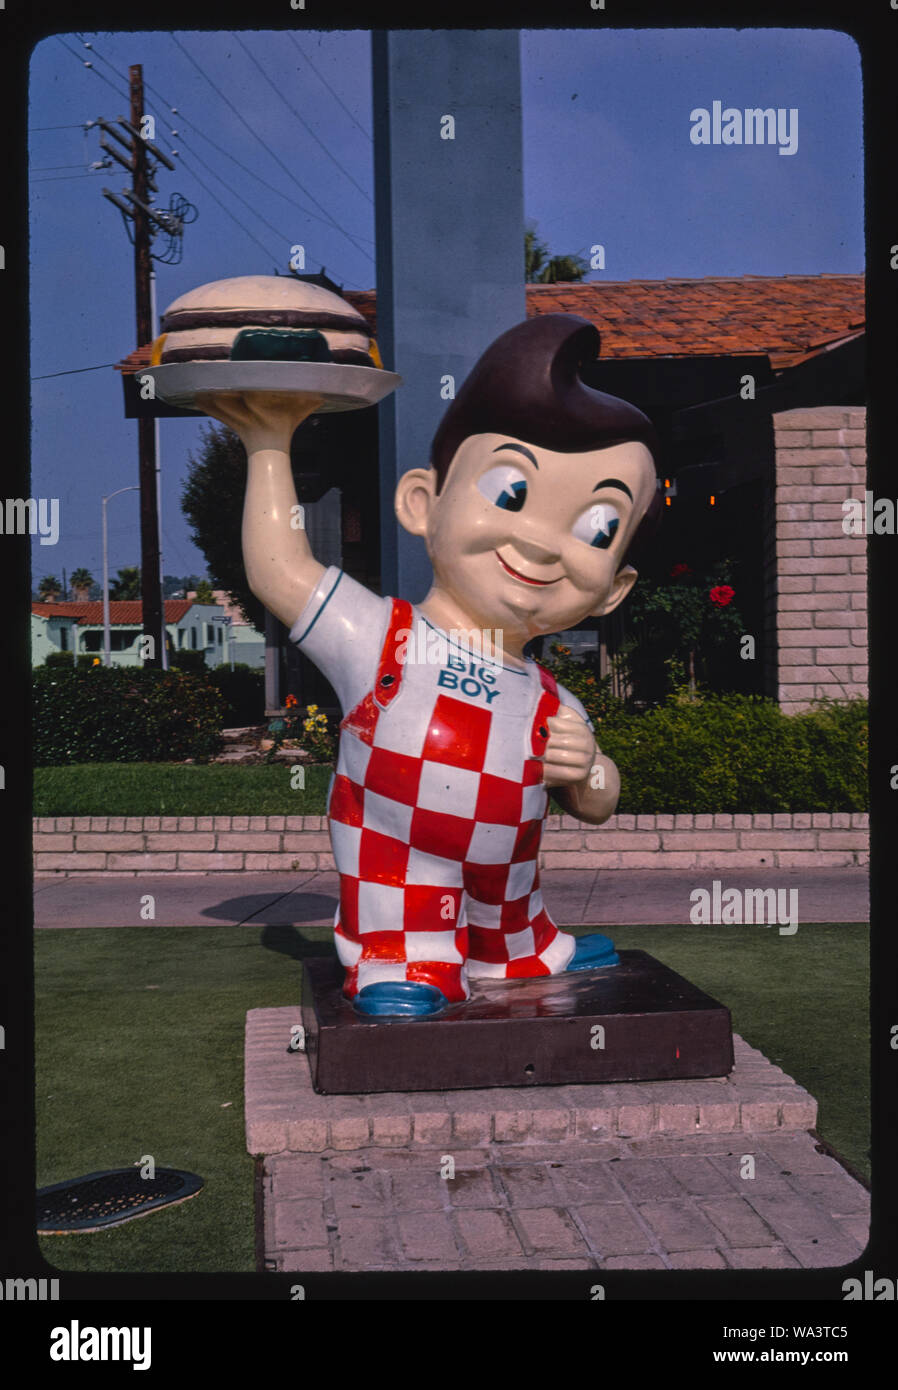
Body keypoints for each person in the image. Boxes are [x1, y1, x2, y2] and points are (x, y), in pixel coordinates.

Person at [201, 314, 661, 1016]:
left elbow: (596, 803)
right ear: (423, 502)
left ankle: (516, 950)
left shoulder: (549, 697)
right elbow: (279, 568)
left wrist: (590, 766)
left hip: (509, 886)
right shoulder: (380, 637)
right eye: (511, 492)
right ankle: (402, 957)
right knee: (402, 892)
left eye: (596, 527)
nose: (540, 544)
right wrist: (268, 443)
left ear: (614, 589)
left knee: (514, 909)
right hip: (399, 867)